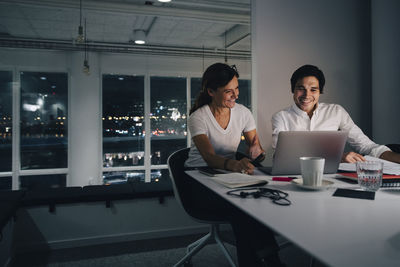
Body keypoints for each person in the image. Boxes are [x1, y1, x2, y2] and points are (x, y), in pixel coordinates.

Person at [185, 63, 284, 267]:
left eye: (237, 88)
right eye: (228, 91)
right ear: (211, 91)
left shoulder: (243, 113)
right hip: (199, 177)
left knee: (255, 201)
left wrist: (256, 150)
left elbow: (254, 145)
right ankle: (268, 259)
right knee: (242, 208)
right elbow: (209, 157)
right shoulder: (198, 117)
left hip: (226, 175)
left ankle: (266, 258)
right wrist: (236, 165)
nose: (235, 95)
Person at [272, 64, 400, 164]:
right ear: (292, 89)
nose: (307, 95)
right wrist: (337, 158)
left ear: (320, 92)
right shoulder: (281, 117)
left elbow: (366, 146)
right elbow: (282, 156)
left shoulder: (336, 112)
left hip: (334, 178)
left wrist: (395, 158)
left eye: (313, 90)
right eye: (301, 89)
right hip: (294, 177)